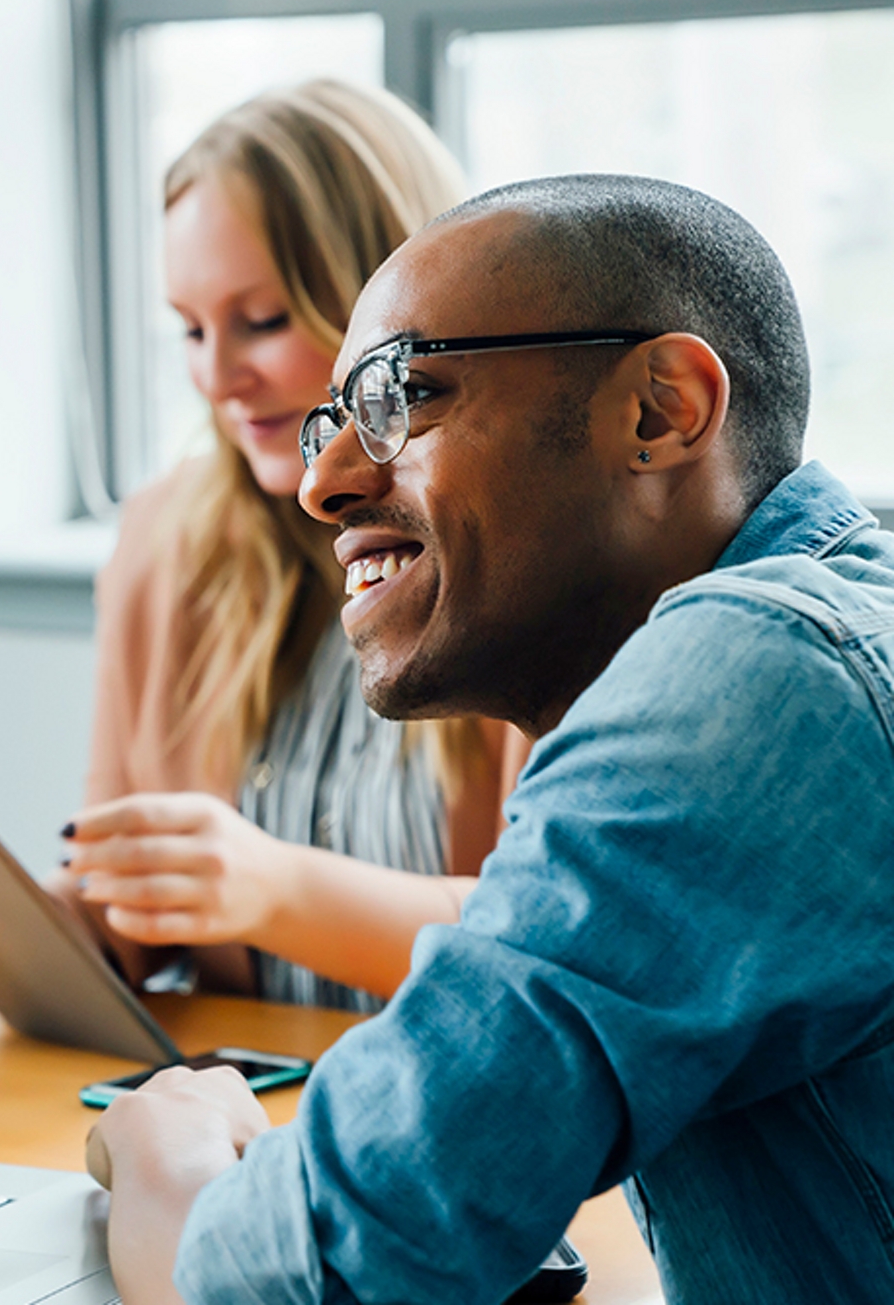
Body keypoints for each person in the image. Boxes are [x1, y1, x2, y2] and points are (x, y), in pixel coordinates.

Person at [86, 173, 894, 1304]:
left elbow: (296, 1284)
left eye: (400, 396)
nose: (322, 484)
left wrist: (170, 1150)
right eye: (330, 422)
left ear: (661, 409)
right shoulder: (823, 636)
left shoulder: (757, 678)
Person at [0, 80, 527, 1010]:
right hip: (255, 1100)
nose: (216, 376)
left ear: (388, 305)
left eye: (262, 321)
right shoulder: (165, 543)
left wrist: (274, 890)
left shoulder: (533, 546)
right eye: (188, 329)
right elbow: (131, 918)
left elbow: (557, 950)